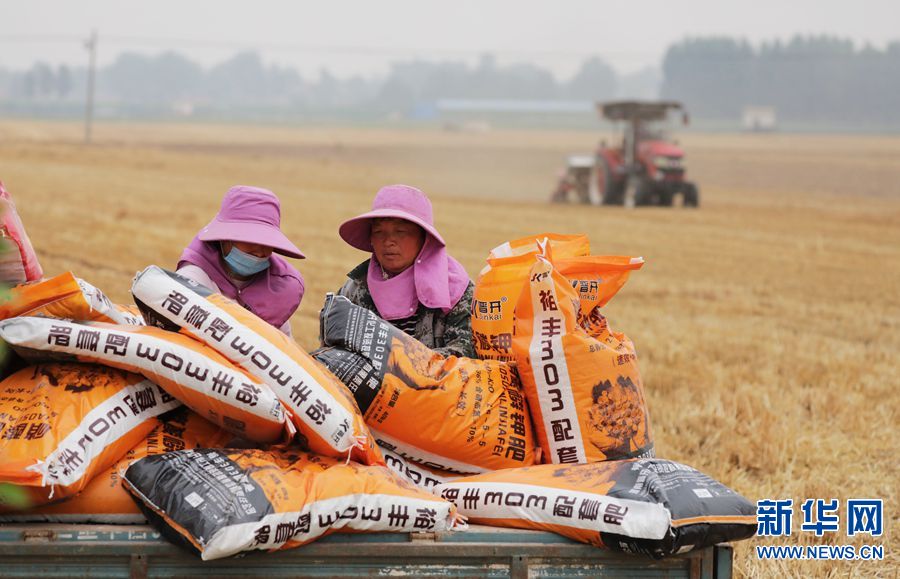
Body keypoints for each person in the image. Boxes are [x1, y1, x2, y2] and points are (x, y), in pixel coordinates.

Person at [335, 184, 475, 358]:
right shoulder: (353, 290)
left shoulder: (456, 291)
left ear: (424, 238)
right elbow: (332, 350)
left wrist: (395, 364)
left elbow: (464, 354)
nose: (388, 241)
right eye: (378, 232)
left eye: (400, 232)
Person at [177, 185, 305, 336]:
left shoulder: (277, 292)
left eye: (267, 241)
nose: (259, 250)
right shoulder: (193, 281)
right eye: (249, 238)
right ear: (224, 238)